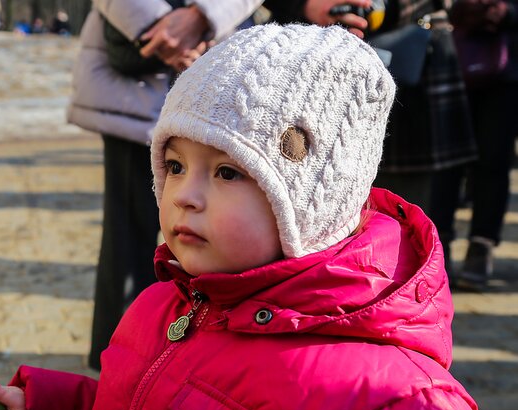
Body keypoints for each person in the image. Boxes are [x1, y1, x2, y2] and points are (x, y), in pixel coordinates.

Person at [0, 24, 495, 410]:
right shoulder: (166, 306)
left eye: (227, 172)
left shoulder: (384, 407)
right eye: (175, 165)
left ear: (312, 200)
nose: (185, 196)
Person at [68, 0, 263, 371]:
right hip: (148, 74)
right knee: (127, 242)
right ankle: (120, 368)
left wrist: (204, 16)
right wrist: (160, 29)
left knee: (225, 232)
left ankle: (213, 362)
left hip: (220, 64)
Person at [266, 0, 477, 216]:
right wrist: (305, 5)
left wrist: (379, 7)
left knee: (409, 222)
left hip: (413, 70)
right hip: (311, 67)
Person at [429, 0, 518, 290]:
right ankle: (438, 246)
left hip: (505, 73)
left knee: (493, 162)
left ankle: (481, 247)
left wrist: (505, 13)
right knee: (445, 164)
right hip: (445, 61)